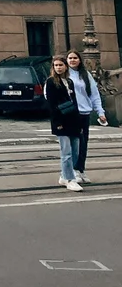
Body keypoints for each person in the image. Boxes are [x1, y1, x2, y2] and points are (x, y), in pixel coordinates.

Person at [66, 48, 108, 183]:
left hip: (85, 113)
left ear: (79, 60)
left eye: (75, 58)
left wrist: (100, 112)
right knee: (75, 143)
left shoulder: (85, 75)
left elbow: (94, 94)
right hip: (71, 114)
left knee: (84, 143)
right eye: (70, 58)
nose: (72, 60)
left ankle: (81, 169)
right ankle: (74, 170)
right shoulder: (64, 75)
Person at [44, 55, 84, 190]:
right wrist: (57, 122)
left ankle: (64, 175)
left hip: (73, 120)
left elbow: (75, 103)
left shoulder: (69, 81)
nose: (58, 68)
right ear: (53, 68)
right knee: (66, 152)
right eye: (56, 65)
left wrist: (79, 123)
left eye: (61, 65)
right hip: (61, 121)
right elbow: (52, 104)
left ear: (65, 66)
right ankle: (69, 179)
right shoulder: (51, 82)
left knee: (75, 151)